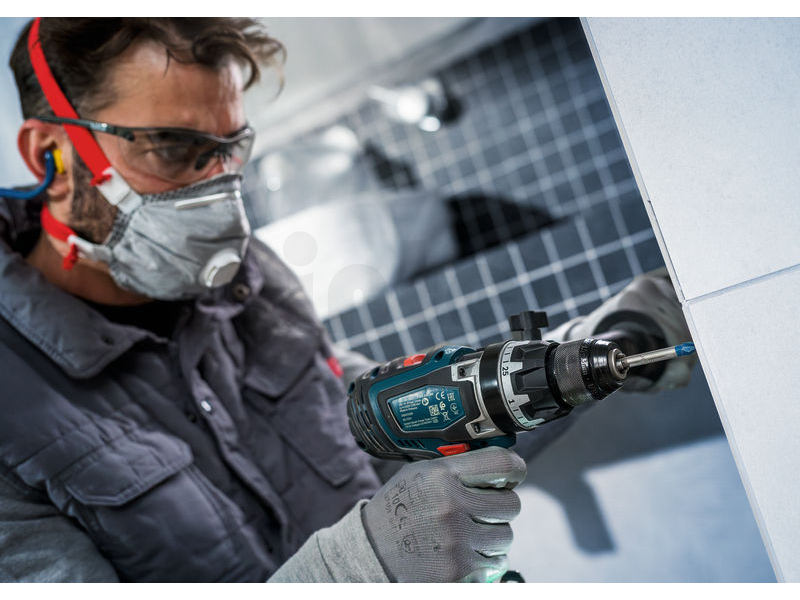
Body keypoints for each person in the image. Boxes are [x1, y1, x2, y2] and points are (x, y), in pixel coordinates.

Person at [0, 18, 694, 583]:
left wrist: (583, 353)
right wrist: (358, 569)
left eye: (229, 150)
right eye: (173, 149)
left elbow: (384, 423)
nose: (217, 190)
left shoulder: (251, 287)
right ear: (50, 156)